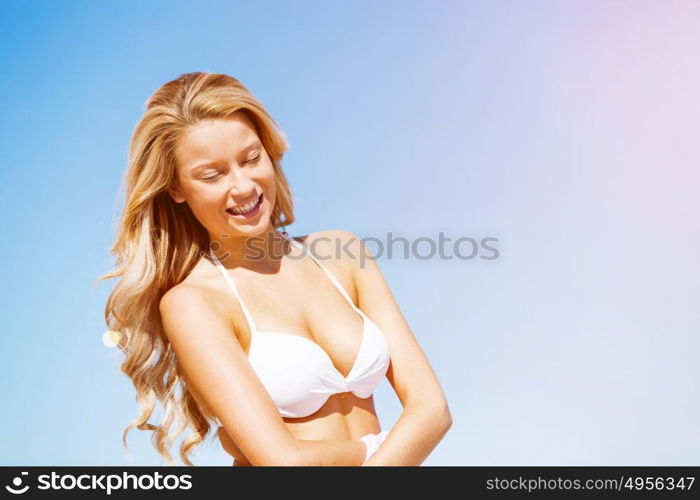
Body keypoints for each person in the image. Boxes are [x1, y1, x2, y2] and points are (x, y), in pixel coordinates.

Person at [99, 71, 452, 466]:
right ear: (176, 189)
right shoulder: (194, 304)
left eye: (251, 158)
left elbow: (432, 409)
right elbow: (284, 462)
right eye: (212, 175)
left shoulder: (341, 254)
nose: (244, 186)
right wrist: (380, 447)